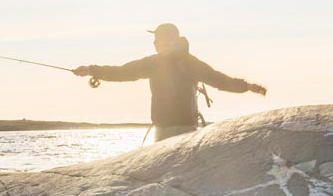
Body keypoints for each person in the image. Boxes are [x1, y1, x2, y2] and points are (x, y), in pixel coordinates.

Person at [73, 23, 267, 141]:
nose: (156, 43)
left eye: (159, 39)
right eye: (155, 40)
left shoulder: (188, 62)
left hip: (183, 128)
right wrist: (92, 70)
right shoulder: (152, 63)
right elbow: (123, 72)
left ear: (172, 40)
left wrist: (246, 86)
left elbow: (217, 79)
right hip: (160, 127)